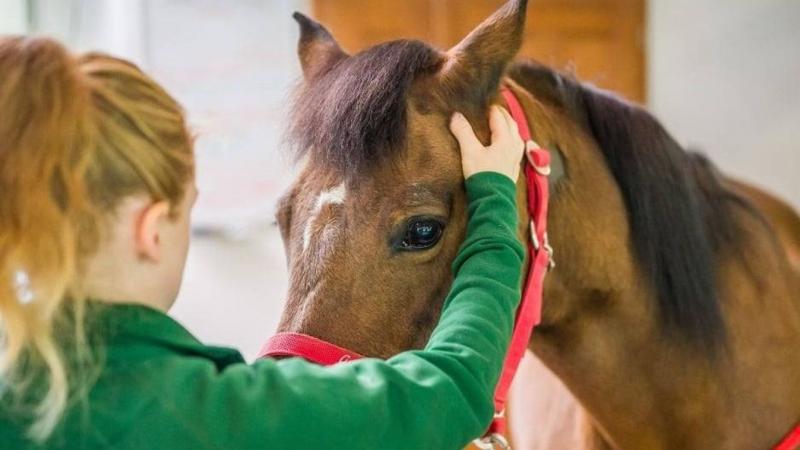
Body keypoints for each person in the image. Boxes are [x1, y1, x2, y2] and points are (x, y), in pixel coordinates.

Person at [0, 36, 526, 449]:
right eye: (188, 211)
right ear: (152, 228)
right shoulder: (224, 417)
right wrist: (495, 200)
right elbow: (455, 383)